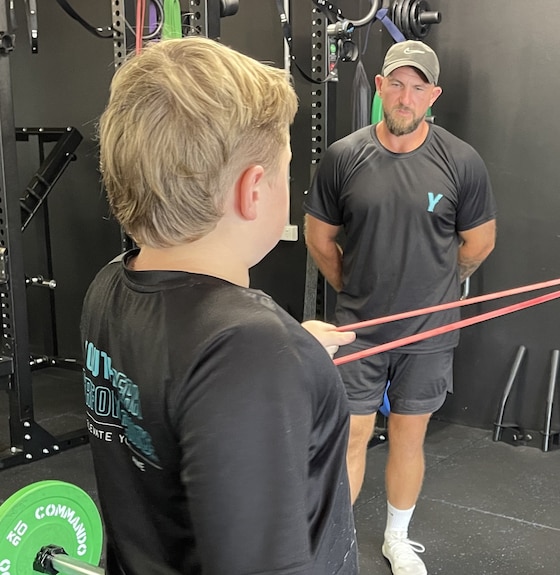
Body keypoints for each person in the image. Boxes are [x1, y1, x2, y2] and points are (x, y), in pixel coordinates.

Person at [82, 37, 358, 574]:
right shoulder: (250, 351)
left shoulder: (110, 287)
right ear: (253, 190)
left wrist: (292, 355)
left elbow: (185, 376)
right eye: (285, 168)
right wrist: (275, 358)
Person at [304, 40, 497, 575]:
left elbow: (478, 244)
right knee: (352, 437)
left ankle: (397, 538)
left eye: (418, 88)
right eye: (397, 84)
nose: (405, 97)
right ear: (382, 88)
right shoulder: (344, 157)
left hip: (430, 331)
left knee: (409, 437)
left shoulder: (461, 161)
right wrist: (355, 292)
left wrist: (441, 285)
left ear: (432, 95)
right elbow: (320, 240)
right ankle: (333, 548)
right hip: (358, 329)